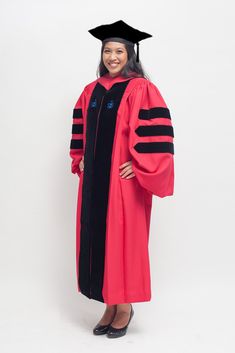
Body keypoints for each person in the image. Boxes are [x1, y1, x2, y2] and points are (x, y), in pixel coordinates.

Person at [69, 20, 175, 338]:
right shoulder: (91, 91)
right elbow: (81, 128)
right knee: (99, 238)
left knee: (123, 241)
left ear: (130, 55)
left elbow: (156, 133)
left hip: (122, 183)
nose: (112, 57)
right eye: (107, 51)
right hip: (94, 182)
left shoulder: (142, 88)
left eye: (119, 51)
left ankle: (125, 306)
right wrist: (82, 156)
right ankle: (109, 302)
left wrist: (139, 164)